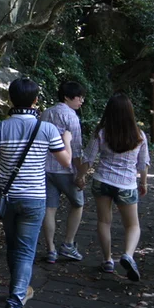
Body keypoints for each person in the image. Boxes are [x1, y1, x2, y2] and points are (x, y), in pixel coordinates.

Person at [0, 77, 72, 308]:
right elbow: (65, 161)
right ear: (35, 100)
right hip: (34, 198)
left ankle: (21, 290)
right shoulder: (47, 129)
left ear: (11, 99)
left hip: (7, 198)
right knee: (25, 251)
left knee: (13, 247)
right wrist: (67, 140)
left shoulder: (0, 127)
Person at [78, 92, 150, 282]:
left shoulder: (101, 133)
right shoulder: (139, 135)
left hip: (102, 181)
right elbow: (143, 164)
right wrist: (143, 182)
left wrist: (80, 176)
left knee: (104, 221)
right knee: (132, 225)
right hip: (126, 184)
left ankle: (108, 260)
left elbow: (89, 158)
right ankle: (128, 255)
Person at [39, 80, 87, 263]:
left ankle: (51, 249)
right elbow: (76, 148)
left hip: (45, 167)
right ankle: (68, 244)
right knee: (78, 203)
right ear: (67, 97)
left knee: (49, 208)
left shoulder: (46, 113)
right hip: (65, 169)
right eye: (78, 97)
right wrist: (80, 173)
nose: (81, 100)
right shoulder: (71, 117)